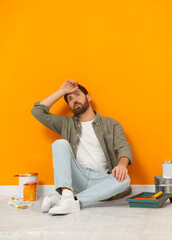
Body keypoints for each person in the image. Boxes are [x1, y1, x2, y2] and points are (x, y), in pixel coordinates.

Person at [31, 80, 133, 215]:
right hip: (79, 178)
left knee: (125, 180)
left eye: (77, 95)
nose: (74, 100)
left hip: (102, 181)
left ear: (88, 97)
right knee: (60, 143)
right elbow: (37, 111)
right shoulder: (66, 123)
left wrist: (121, 165)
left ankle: (71, 201)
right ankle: (67, 195)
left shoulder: (111, 124)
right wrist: (61, 91)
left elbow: (123, 146)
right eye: (70, 99)